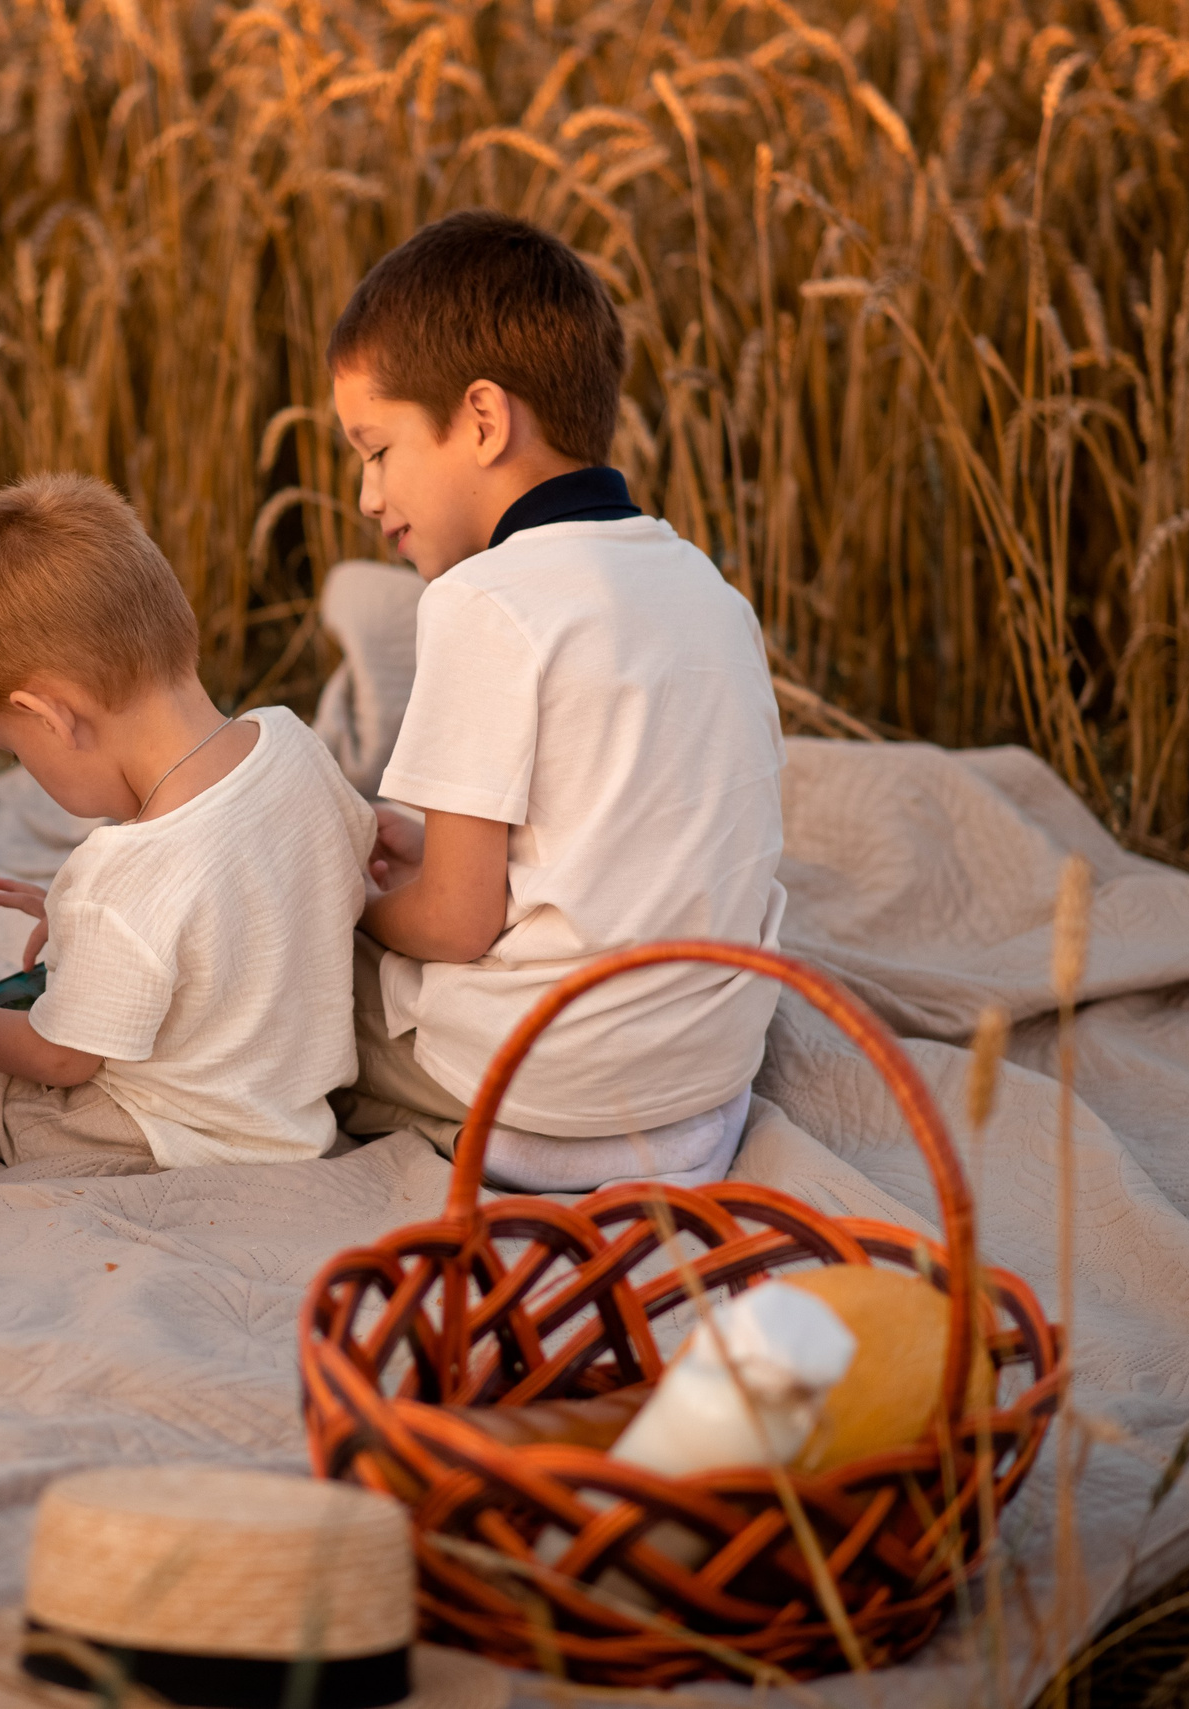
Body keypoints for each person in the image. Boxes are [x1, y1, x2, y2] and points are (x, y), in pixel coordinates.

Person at [327, 211, 787, 1193]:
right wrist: (434, 861)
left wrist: (355, 902)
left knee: (282, 967)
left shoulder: (481, 600)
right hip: (703, 1096)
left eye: (376, 449)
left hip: (537, 1102)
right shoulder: (710, 591)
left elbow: (454, 920)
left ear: (483, 421)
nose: (367, 495)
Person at [0, 474, 376, 1171]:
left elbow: (61, 1058)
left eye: (15, 749)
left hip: (160, 1134)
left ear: (51, 715)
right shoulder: (292, 742)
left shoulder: (122, 876)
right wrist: (83, 927)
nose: (27, 769)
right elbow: (262, 896)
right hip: (286, 1108)